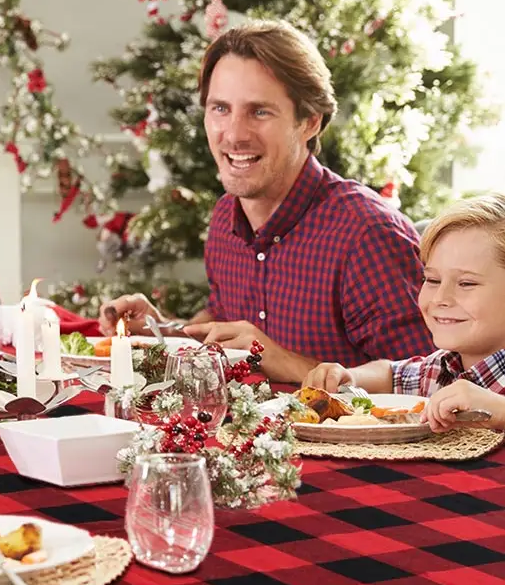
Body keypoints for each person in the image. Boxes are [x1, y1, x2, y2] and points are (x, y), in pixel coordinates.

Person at [97, 20, 433, 382]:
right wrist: (163, 331)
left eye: (260, 112)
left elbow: (429, 386)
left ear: (310, 123)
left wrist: (281, 360)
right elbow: (228, 323)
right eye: (220, 109)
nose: (235, 134)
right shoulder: (227, 214)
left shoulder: (367, 233)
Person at [304, 193, 505, 433]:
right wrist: (351, 376)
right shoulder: (440, 368)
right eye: (432, 279)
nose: (440, 298)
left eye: (466, 283)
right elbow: (390, 373)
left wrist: (500, 411)